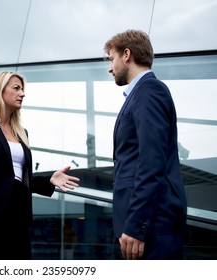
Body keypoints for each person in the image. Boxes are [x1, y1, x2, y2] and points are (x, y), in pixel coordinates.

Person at [0, 71, 80, 260]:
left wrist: (49, 180)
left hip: (17, 223)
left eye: (22, 89)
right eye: (16, 88)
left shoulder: (22, 133)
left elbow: (18, 178)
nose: (22, 93)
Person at [103, 30, 187, 260]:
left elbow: (151, 162)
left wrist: (136, 226)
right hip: (147, 225)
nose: (110, 68)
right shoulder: (141, 93)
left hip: (151, 227)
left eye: (112, 59)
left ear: (126, 54)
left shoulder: (149, 91)